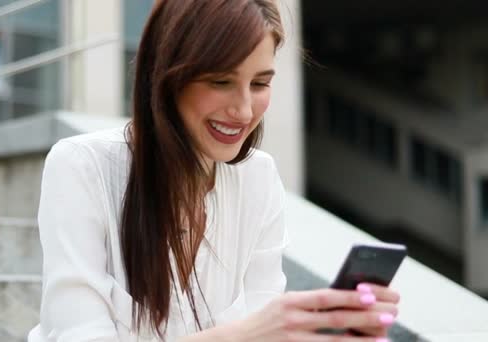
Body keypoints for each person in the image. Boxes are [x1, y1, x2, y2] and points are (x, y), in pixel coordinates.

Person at [28, 0, 400, 341]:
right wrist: (244, 335)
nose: (243, 110)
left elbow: (262, 328)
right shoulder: (82, 166)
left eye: (260, 83)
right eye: (220, 82)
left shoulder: (258, 178)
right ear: (167, 77)